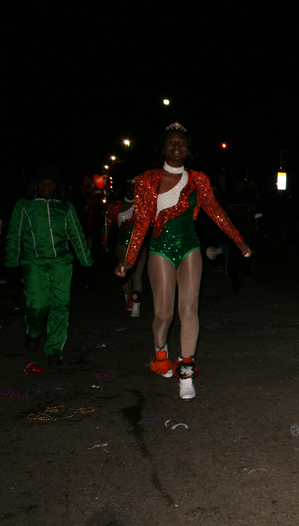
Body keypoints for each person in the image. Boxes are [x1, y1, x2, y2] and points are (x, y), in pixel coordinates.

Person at [115, 123, 252, 400]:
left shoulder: (198, 179)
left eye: (182, 143)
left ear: (188, 150)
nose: (177, 147)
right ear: (163, 148)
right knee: (163, 314)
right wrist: (129, 261)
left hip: (190, 246)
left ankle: (186, 371)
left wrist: (238, 241)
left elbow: (215, 211)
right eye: (171, 142)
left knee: (189, 309)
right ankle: (160, 353)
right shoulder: (146, 179)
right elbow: (141, 223)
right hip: (160, 248)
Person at [4, 164, 93, 365]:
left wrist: (86, 264)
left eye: (50, 184)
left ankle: (54, 349)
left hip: (61, 262)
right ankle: (34, 331)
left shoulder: (65, 207)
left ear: (56, 186)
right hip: (33, 262)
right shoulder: (24, 206)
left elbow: (77, 236)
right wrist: (11, 265)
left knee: (61, 305)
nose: (46, 188)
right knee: (37, 304)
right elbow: (13, 236)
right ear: (36, 185)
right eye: (42, 184)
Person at [103, 180, 148, 317]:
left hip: (139, 244)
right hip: (122, 243)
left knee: (137, 275)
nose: (132, 193)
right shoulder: (115, 206)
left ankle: (136, 305)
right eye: (129, 190)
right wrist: (104, 241)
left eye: (135, 190)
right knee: (125, 275)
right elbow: (107, 224)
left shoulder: (143, 205)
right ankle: (128, 298)